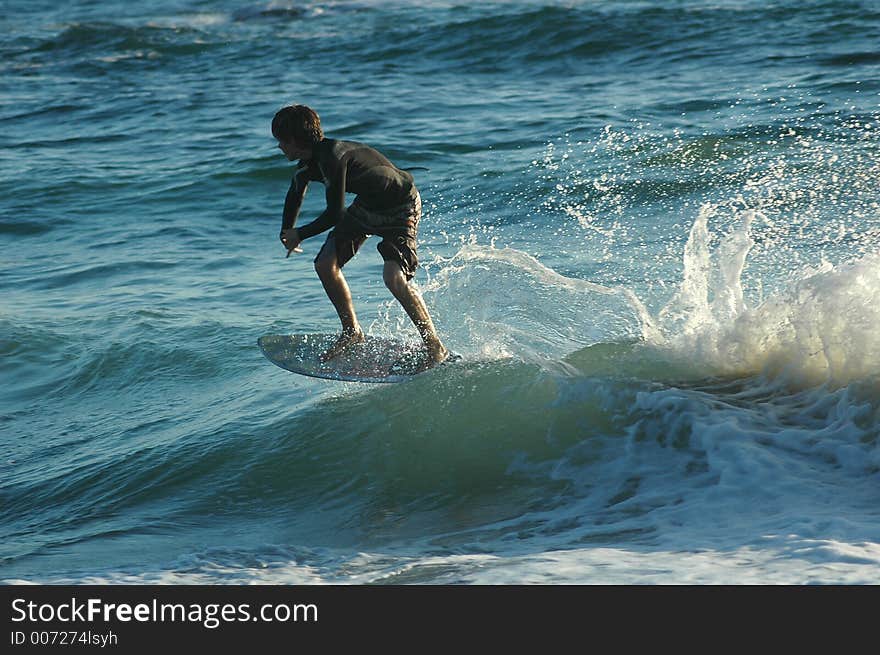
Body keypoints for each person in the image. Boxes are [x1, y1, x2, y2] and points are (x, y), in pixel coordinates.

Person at [272, 104, 449, 366]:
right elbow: (296, 192)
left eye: (281, 142)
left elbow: (335, 214)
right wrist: (287, 231)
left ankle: (434, 346)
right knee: (324, 264)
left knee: (393, 277)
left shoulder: (333, 156)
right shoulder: (308, 164)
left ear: (295, 142)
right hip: (367, 206)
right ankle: (352, 331)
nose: (279, 147)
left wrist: (301, 233)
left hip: (401, 207)